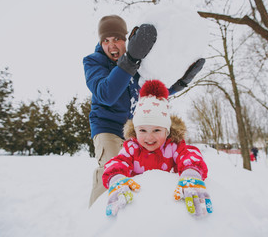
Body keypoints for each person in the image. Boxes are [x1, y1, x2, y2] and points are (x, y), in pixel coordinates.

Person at [83, 15, 205, 207]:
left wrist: (179, 83)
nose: (111, 45)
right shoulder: (93, 62)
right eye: (105, 41)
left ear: (126, 38)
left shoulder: (138, 62)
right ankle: (97, 222)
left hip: (136, 129)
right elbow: (106, 94)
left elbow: (147, 92)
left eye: (117, 39)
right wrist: (130, 59)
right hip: (108, 126)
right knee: (112, 170)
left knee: (137, 174)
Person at [102, 80, 212, 217]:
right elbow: (118, 161)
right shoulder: (132, 147)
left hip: (167, 203)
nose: (149, 137)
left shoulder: (173, 146)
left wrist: (191, 173)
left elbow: (189, 154)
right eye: (142, 130)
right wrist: (117, 178)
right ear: (135, 131)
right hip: (138, 205)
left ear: (167, 131)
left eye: (156, 130)